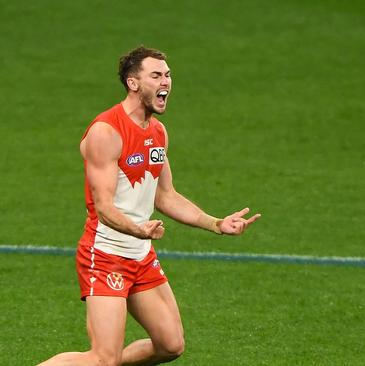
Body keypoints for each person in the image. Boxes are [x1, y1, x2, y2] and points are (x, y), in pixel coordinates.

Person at [38, 46, 261, 366]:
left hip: (140, 255)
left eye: (168, 75)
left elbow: (165, 195)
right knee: (103, 358)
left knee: (171, 345)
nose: (165, 82)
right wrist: (138, 228)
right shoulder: (106, 131)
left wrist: (216, 224)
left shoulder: (157, 132)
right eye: (156, 75)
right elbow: (103, 206)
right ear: (133, 83)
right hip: (106, 254)